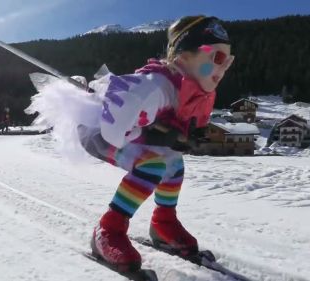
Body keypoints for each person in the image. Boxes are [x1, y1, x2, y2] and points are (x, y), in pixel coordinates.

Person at [26, 15, 233, 272]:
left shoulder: (192, 88)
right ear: (185, 56)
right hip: (99, 129)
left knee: (174, 164)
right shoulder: (154, 87)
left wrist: (180, 137)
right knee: (153, 165)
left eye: (229, 60)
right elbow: (116, 130)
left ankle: (163, 223)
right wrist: (160, 136)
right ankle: (108, 229)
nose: (224, 68)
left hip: (128, 131)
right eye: (217, 58)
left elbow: (174, 129)